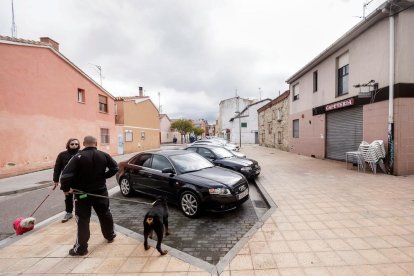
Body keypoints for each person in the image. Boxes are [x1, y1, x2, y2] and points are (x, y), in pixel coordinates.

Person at [60, 135, 118, 256]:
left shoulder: (77, 157)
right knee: (105, 214)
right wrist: (104, 176)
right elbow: (115, 168)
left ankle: (81, 249)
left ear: (84, 144)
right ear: (96, 143)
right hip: (101, 193)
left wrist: (66, 189)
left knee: (83, 220)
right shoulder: (103, 155)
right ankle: (110, 235)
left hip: (82, 195)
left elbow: (65, 175)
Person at [53, 138, 80, 223]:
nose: (74, 145)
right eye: (72, 144)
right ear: (68, 144)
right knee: (68, 197)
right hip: (67, 181)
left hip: (79, 180)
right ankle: (69, 212)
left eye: (76, 144)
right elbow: (57, 168)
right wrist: (56, 180)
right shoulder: (62, 155)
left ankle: (80, 213)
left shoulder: (81, 153)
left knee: (81, 197)